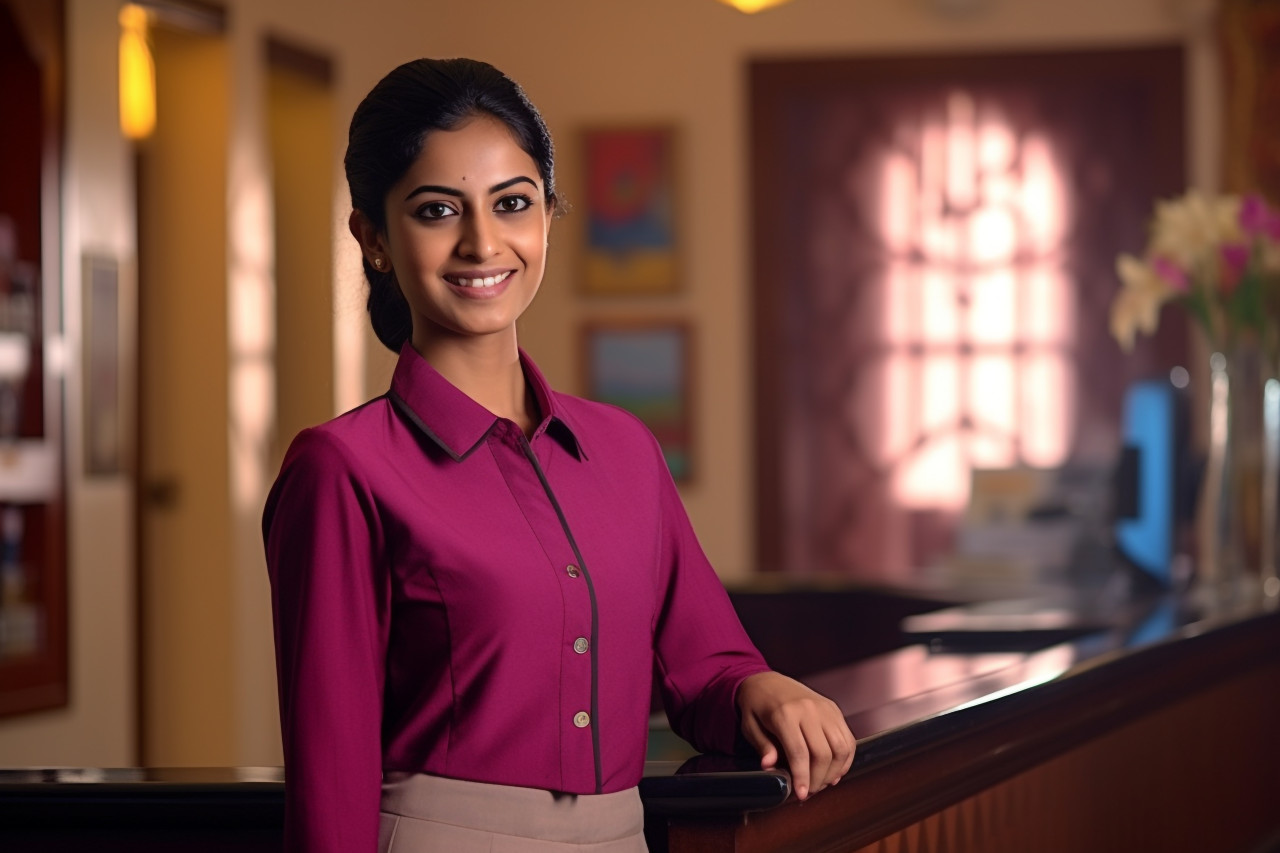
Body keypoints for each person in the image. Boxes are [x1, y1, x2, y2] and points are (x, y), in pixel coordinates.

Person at [263, 57, 855, 853]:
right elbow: (330, 766)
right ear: (373, 238)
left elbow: (704, 664)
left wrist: (762, 686)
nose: (483, 243)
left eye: (512, 203)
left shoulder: (623, 451)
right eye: (437, 210)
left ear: (548, 215)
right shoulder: (341, 468)